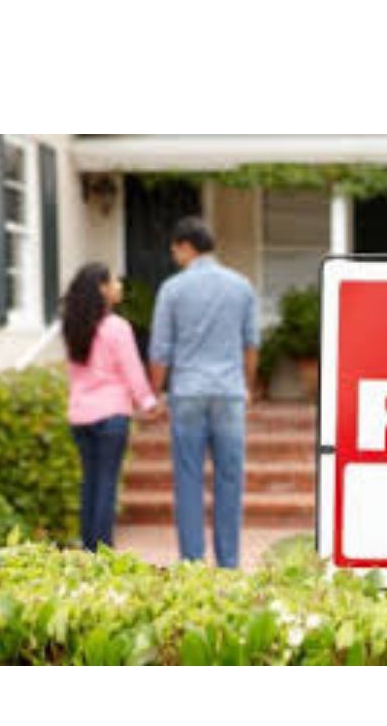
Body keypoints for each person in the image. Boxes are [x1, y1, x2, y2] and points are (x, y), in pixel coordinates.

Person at [149, 217, 259, 568]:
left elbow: (160, 350)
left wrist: (155, 392)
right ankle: (228, 563)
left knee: (188, 478)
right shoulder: (241, 286)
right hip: (229, 391)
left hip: (187, 391)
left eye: (175, 250)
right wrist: (248, 385)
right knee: (230, 478)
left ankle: (193, 564)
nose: (174, 257)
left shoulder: (172, 289)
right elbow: (251, 344)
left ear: (186, 247)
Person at [62, 263, 159, 552]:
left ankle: (89, 549)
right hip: (111, 416)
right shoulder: (117, 327)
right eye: (114, 282)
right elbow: (132, 370)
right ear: (102, 289)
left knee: (90, 482)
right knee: (106, 483)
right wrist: (148, 401)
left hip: (80, 415)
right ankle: (103, 553)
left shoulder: (73, 326)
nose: (120, 286)